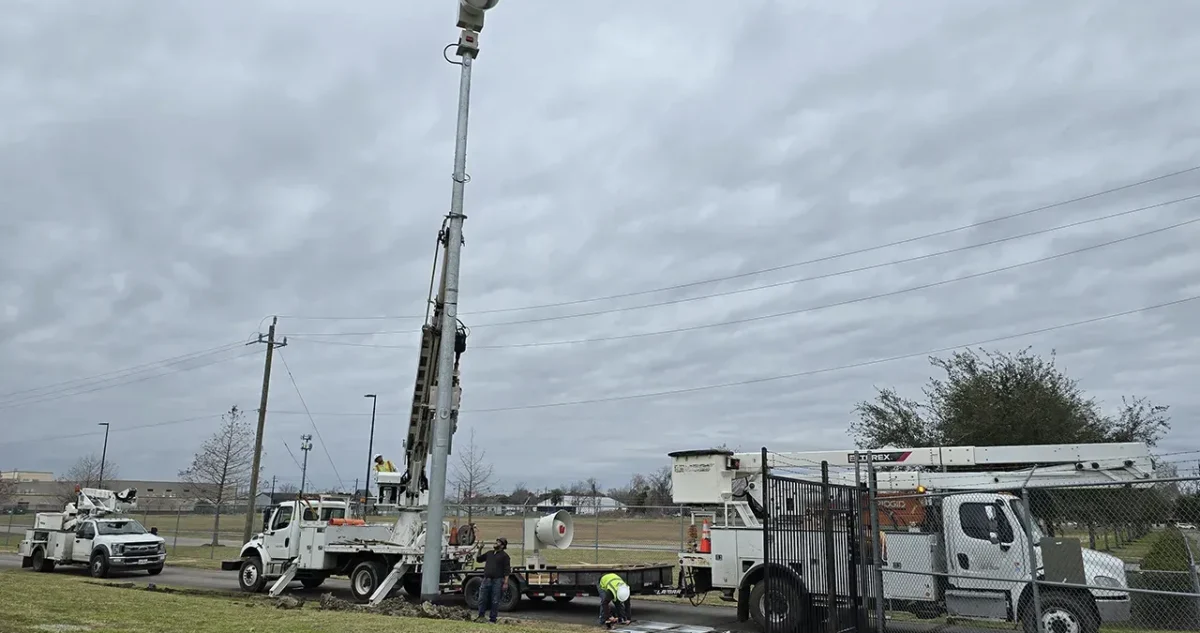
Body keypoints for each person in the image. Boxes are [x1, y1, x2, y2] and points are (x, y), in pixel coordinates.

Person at [475, 537, 511, 623]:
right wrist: (480, 548)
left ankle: (492, 619)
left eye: (498, 542)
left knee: (495, 600)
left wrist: (505, 582)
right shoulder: (489, 553)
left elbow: (507, 570)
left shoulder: (505, 556)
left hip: (497, 581)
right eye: (496, 541)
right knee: (482, 598)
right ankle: (481, 616)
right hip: (486, 580)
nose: (496, 543)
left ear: (502, 546)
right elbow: (479, 559)